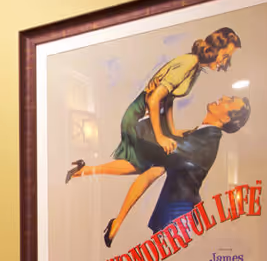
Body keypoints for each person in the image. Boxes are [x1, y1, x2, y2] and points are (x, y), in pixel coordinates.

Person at [66, 28, 242, 244]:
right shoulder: (188, 63)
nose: (225, 62)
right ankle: (115, 218)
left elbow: (169, 98)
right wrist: (160, 137)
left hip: (153, 116)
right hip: (141, 115)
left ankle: (85, 173)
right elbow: (154, 99)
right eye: (226, 55)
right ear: (215, 48)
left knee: (145, 167)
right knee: (152, 167)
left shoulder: (195, 66)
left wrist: (172, 131)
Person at [100, 95, 252, 245]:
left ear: (226, 118)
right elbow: (150, 175)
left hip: (178, 218)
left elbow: (155, 148)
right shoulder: (199, 135)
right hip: (173, 217)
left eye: (230, 101)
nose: (224, 97)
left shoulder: (204, 141)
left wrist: (150, 111)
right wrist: (119, 220)